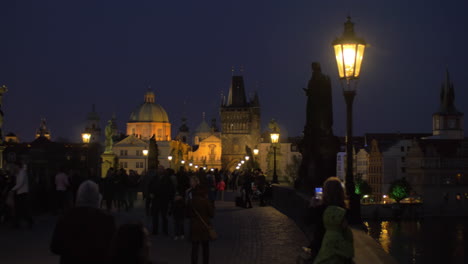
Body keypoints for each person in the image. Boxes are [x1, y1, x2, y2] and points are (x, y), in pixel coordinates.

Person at [50, 180, 116, 264]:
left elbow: (55, 247)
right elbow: (113, 248)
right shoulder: (107, 220)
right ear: (97, 197)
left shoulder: (66, 217)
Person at [305, 177, 350, 263]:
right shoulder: (345, 211)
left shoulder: (320, 210)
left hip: (320, 248)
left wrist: (312, 206)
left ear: (325, 193)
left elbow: (307, 221)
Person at [187, 186, 214, 264]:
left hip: (194, 226)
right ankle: (205, 262)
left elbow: (187, 214)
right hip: (204, 226)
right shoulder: (206, 201)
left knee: (195, 248)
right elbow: (211, 214)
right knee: (205, 247)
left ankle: (194, 262)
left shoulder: (191, 201)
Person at [150, 171, 175, 235]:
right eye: (159, 169)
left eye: (161, 169)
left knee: (164, 216)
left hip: (164, 200)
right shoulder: (154, 178)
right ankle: (155, 231)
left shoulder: (167, 179)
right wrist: (150, 194)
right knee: (155, 216)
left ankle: (165, 230)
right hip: (156, 200)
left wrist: (170, 198)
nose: (160, 171)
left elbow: (171, 189)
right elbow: (150, 186)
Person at [11, 162, 33, 228]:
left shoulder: (22, 172)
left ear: (17, 166)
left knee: (23, 208)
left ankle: (29, 221)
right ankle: (17, 223)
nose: (14, 167)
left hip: (22, 193)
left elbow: (20, 183)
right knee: (20, 209)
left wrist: (13, 189)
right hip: (19, 193)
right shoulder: (18, 173)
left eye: (14, 166)